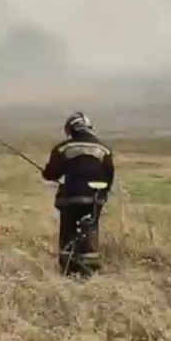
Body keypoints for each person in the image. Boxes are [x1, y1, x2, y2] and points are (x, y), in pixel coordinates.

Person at [42, 112, 115, 277]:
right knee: (90, 230)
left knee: (68, 231)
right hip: (95, 199)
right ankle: (90, 271)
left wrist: (50, 174)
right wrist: (102, 195)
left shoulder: (63, 148)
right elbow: (109, 175)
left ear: (70, 129)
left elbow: (50, 174)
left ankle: (69, 269)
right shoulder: (104, 149)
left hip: (71, 198)